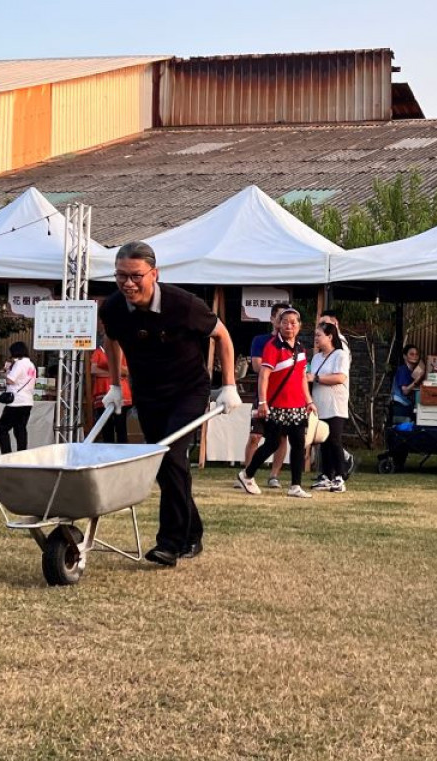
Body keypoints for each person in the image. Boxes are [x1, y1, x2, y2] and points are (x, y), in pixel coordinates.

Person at [99, 241, 241, 567]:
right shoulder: (114, 308)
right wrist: (115, 385)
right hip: (148, 392)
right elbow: (111, 339)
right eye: (120, 276)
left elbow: (223, 336)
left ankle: (170, 543)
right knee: (165, 466)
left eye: (136, 276)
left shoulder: (183, 304)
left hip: (187, 391)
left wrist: (229, 385)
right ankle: (192, 532)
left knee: (171, 456)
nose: (128, 283)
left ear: (154, 273)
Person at [237, 306, 316, 498]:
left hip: (297, 406)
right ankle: (247, 474)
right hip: (277, 405)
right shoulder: (272, 346)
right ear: (278, 324)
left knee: (298, 444)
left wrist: (309, 401)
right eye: (285, 322)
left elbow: (302, 378)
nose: (289, 326)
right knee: (272, 443)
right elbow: (264, 375)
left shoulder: (301, 348)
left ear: (299, 326)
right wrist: (263, 402)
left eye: (293, 322)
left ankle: (295, 485)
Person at [239, 302, 289, 489]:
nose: (285, 323)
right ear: (272, 319)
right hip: (263, 395)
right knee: (255, 436)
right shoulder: (260, 341)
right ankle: (247, 474)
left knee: (282, 438)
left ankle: (274, 475)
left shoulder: (292, 345)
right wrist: (277, 370)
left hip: (284, 397)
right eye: (281, 318)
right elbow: (257, 366)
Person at [309, 321, 350, 492]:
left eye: (319, 335)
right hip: (319, 404)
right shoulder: (317, 357)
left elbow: (340, 378)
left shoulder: (340, 354)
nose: (316, 338)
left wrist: (316, 379)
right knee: (322, 441)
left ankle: (340, 477)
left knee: (334, 439)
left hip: (335, 404)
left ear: (330, 336)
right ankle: (326, 475)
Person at [91, 320, 132, 444]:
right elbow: (93, 370)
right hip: (102, 393)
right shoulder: (98, 352)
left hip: (121, 394)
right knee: (106, 428)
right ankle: (108, 457)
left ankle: (122, 457)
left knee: (121, 427)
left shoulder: (123, 352)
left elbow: (126, 371)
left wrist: (108, 366)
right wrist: (115, 370)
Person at [0, 342, 37, 454]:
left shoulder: (20, 364)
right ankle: (22, 454)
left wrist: (5, 372)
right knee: (20, 429)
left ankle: (6, 454)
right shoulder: (31, 365)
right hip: (27, 401)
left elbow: (10, 380)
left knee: (1, 429)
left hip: (16, 402)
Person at [391, 345, 424, 424]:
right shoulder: (403, 370)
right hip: (400, 405)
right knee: (402, 431)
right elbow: (405, 391)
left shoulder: (411, 370)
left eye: (417, 354)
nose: (415, 356)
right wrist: (417, 380)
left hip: (406, 405)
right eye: (411, 354)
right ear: (405, 356)